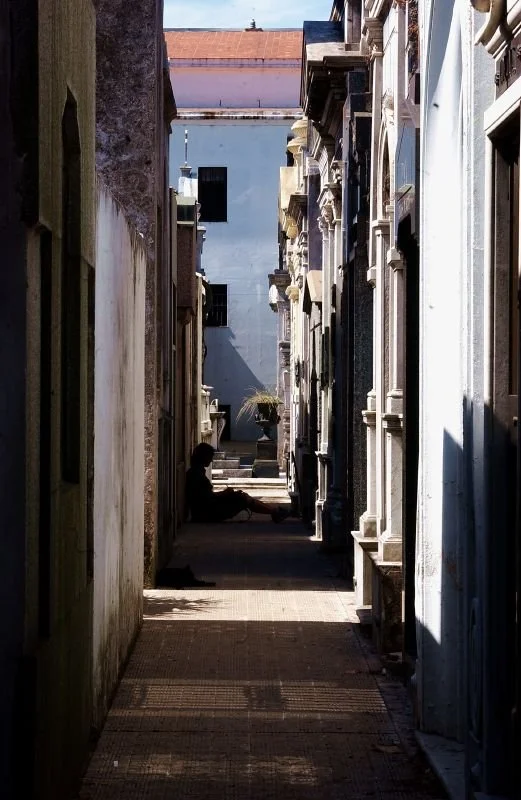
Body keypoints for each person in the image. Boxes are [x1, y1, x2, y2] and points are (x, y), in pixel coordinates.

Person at [186, 442, 290, 523]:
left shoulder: (196, 471)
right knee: (243, 499)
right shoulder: (196, 474)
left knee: (242, 496)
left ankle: (273, 511)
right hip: (207, 513)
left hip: (206, 510)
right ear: (203, 457)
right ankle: (274, 512)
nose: (211, 460)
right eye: (209, 457)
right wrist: (225, 493)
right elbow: (206, 498)